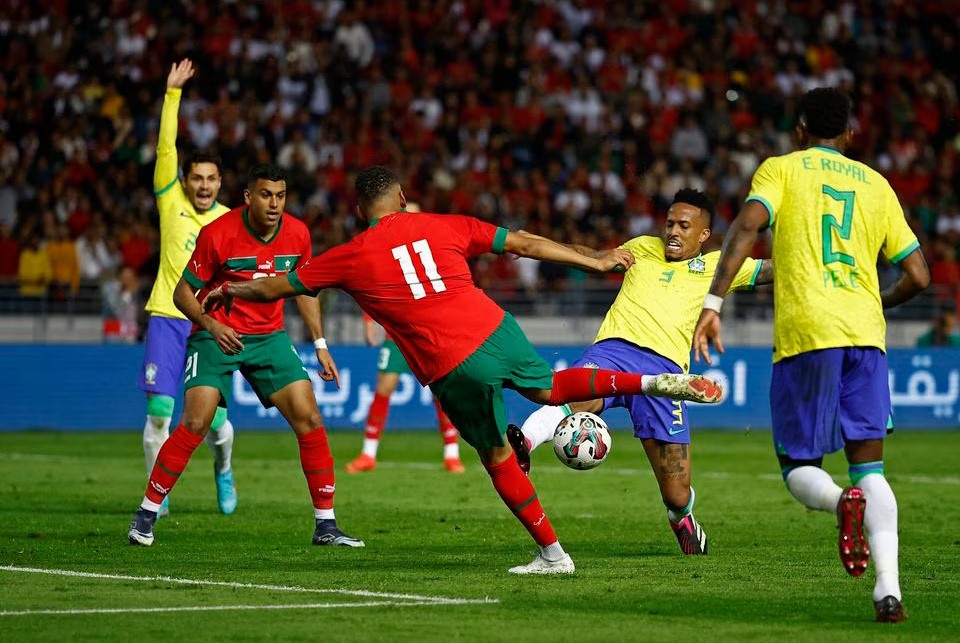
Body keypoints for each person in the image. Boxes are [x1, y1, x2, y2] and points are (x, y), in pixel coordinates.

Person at [202, 166, 723, 574]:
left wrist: (231, 287)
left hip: (449, 362)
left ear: (362, 210)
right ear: (404, 199)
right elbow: (521, 242)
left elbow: (277, 286)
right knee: (553, 387)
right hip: (497, 328)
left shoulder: (349, 254)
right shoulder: (445, 223)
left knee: (497, 456)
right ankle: (651, 383)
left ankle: (553, 554)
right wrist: (594, 262)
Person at [692, 88, 930, 623]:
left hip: (808, 334)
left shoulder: (781, 170)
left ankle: (838, 502)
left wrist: (713, 303)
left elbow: (747, 227)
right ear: (850, 135)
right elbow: (919, 275)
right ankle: (888, 590)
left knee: (800, 466)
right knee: (872, 467)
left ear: (799, 132)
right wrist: (878, 303)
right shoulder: (878, 185)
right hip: (865, 336)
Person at [510, 188, 772, 556]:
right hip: (613, 350)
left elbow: (773, 271)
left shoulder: (720, 265)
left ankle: (682, 518)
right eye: (669, 223)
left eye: (684, 225)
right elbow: (598, 256)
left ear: (703, 234)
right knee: (575, 392)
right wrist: (581, 254)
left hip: (665, 377)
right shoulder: (643, 247)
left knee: (676, 492)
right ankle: (521, 443)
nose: (673, 232)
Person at [127, 163, 362, 548]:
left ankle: (326, 525)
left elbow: (304, 288)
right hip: (216, 335)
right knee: (196, 421)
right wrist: (212, 325)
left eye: (281, 195)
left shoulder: (298, 234)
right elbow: (182, 293)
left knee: (309, 417)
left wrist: (320, 345)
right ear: (249, 197)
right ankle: (147, 514)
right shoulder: (218, 234)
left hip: (269, 337)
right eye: (266, 195)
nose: (274, 204)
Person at [139, 59, 236, 517]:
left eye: (210, 179)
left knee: (216, 426)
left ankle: (223, 469)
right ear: (185, 181)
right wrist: (172, 95)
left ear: (220, 183)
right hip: (166, 315)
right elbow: (165, 148)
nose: (202, 185)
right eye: (195, 177)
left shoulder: (229, 220)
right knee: (159, 414)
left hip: (207, 326)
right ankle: (158, 495)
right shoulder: (169, 199)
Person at [345, 312, 465, 474]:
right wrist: (368, 321)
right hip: (396, 337)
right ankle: (368, 454)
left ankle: (452, 454)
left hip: (427, 337)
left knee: (440, 391)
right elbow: (375, 287)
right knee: (383, 389)